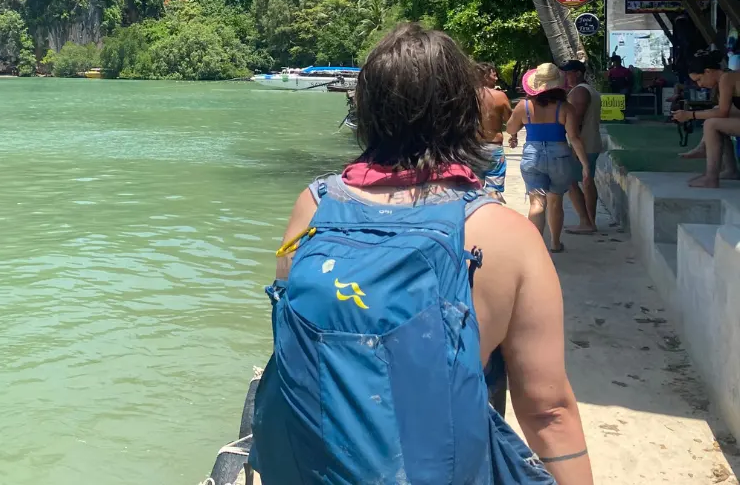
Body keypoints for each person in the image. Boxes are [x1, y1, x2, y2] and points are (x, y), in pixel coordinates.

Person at [252, 24, 592, 485]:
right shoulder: (503, 233)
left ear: (367, 108)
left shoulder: (313, 205)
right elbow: (548, 411)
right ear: (463, 109)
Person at [505, 64, 591, 254]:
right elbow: (574, 138)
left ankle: (535, 248)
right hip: (559, 155)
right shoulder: (565, 107)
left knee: (537, 202)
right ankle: (555, 243)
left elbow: (510, 129)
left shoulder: (524, 106)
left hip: (532, 155)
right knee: (555, 201)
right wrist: (585, 165)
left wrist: (516, 131)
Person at [672, 50, 740, 188]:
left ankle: (711, 178)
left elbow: (723, 113)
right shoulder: (727, 77)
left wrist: (690, 115)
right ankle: (730, 169)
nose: (700, 85)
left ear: (708, 71)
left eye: (699, 79)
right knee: (715, 117)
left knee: (712, 124)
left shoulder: (727, 78)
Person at [561, 60, 602, 234]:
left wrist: (572, 144)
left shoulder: (579, 92)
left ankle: (586, 221)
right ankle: (590, 221)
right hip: (591, 142)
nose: (565, 76)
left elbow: (575, 123)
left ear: (577, 73)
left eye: (568, 72)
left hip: (582, 144)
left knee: (572, 182)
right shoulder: (588, 90)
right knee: (587, 181)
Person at [477, 61, 512, 199]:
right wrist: (513, 135)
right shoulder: (499, 96)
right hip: (493, 147)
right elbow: (510, 122)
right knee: (493, 191)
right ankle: (493, 216)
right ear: (485, 76)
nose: (496, 78)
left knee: (475, 190)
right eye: (494, 75)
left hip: (472, 148)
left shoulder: (466, 95)